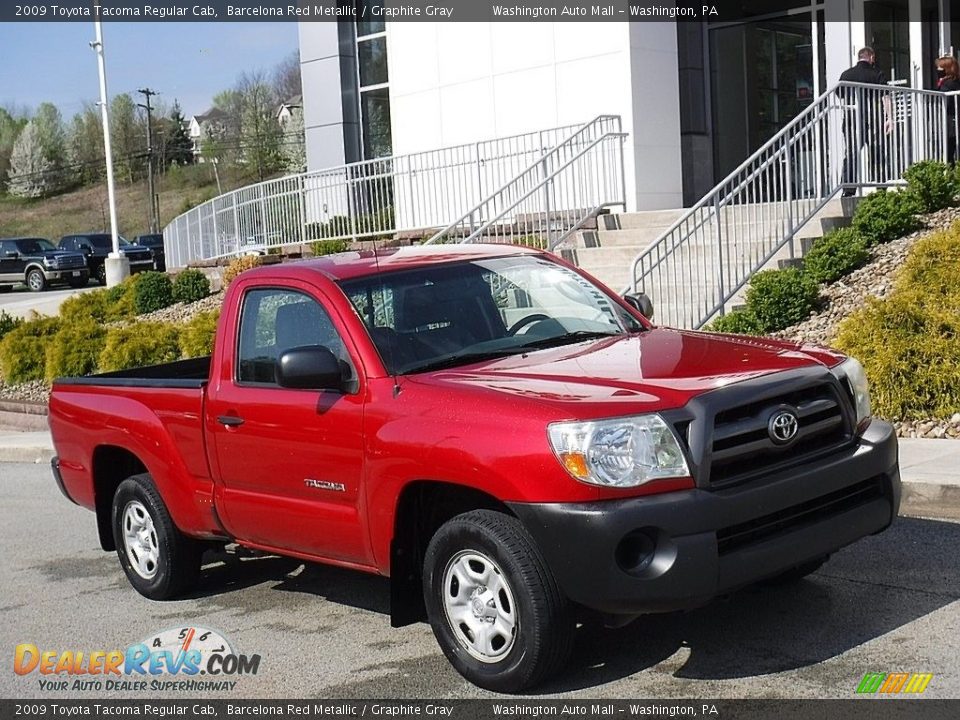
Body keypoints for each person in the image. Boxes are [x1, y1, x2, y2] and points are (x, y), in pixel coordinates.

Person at [839, 47, 891, 197]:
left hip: (851, 120)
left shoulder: (846, 74)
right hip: (874, 119)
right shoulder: (877, 73)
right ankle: (880, 187)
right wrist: (889, 118)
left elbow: (840, 95)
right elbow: (885, 97)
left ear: (859, 57)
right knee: (877, 151)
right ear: (871, 57)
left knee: (851, 153)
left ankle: (848, 189)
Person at [935, 55, 960, 165]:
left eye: (940, 67)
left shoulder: (947, 84)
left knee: (949, 151)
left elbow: (947, 103)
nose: (938, 70)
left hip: (951, 120)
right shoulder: (955, 82)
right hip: (953, 120)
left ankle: (950, 176)